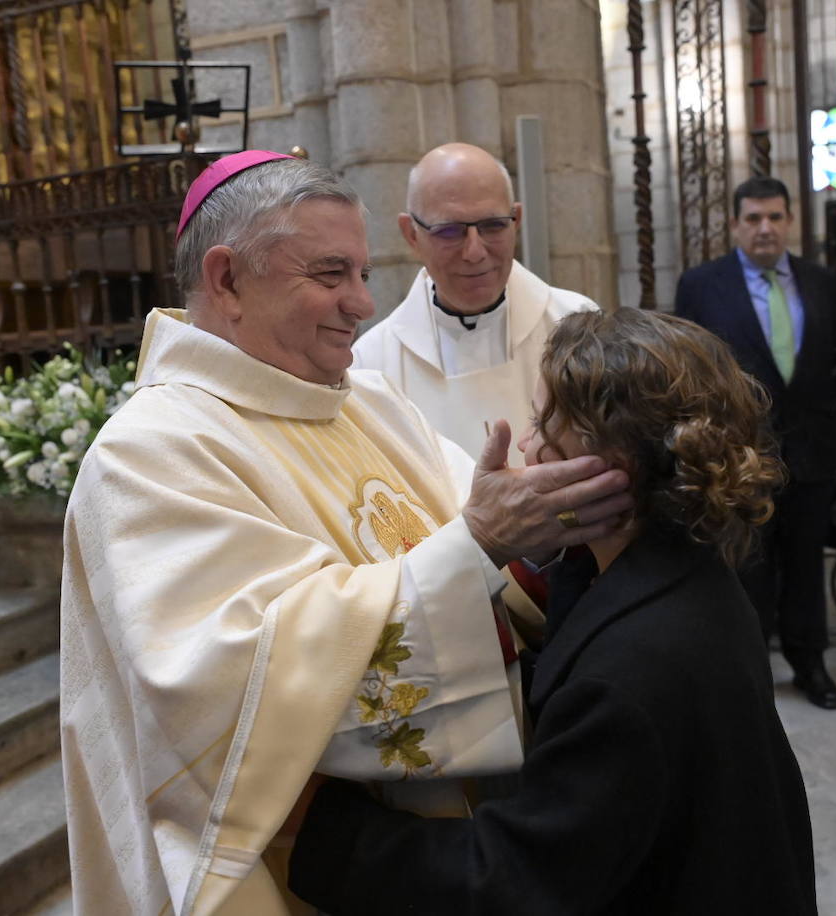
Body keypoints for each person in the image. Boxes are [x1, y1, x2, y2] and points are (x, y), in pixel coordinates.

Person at [59, 151, 632, 916]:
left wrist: (537, 536)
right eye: (331, 275)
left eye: (363, 273)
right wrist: (479, 545)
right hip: (310, 865)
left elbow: (493, 540)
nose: (363, 303)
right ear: (227, 280)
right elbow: (221, 682)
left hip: (451, 844)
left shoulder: (366, 399)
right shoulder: (151, 450)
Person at [286, 307, 816, 915]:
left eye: (543, 425)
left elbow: (517, 881)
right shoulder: (677, 565)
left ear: (607, 470)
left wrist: (326, 832)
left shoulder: (633, 672)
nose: (528, 445)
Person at [674, 176, 836, 709]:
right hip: (739, 454)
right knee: (748, 567)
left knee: (805, 562)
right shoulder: (701, 286)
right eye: (753, 218)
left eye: (774, 217)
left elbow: (834, 363)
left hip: (812, 449)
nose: (765, 228)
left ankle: (810, 661)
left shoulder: (820, 282)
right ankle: (751, 672)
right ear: (734, 225)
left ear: (790, 221)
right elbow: (689, 370)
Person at [351, 142, 599, 465]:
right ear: (411, 234)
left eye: (493, 226)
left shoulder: (579, 325)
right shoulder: (371, 365)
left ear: (517, 221)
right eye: (449, 231)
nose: (474, 252)